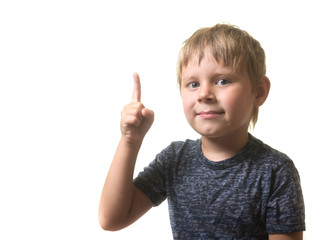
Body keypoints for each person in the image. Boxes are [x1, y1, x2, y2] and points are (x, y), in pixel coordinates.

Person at [99, 23, 305, 240]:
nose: (204, 94)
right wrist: (130, 141)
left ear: (259, 92)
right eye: (193, 84)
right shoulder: (174, 159)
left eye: (222, 81)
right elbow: (112, 218)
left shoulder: (275, 171)